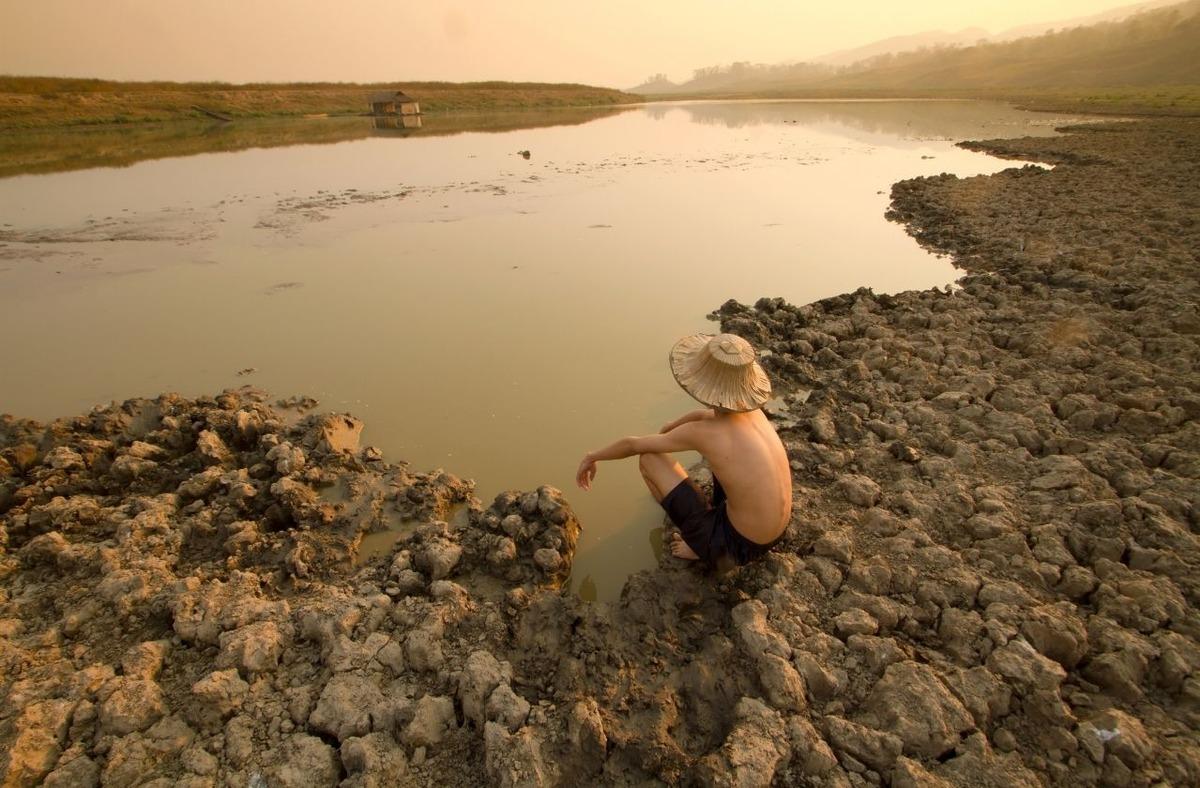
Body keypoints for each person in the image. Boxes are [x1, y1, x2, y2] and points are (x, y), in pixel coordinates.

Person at [575, 333, 792, 566]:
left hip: (734, 547)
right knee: (724, 461)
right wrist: (671, 427)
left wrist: (593, 456)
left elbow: (633, 444)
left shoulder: (704, 434)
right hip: (774, 534)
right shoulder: (753, 414)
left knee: (649, 458)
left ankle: (699, 545)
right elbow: (705, 415)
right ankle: (710, 527)